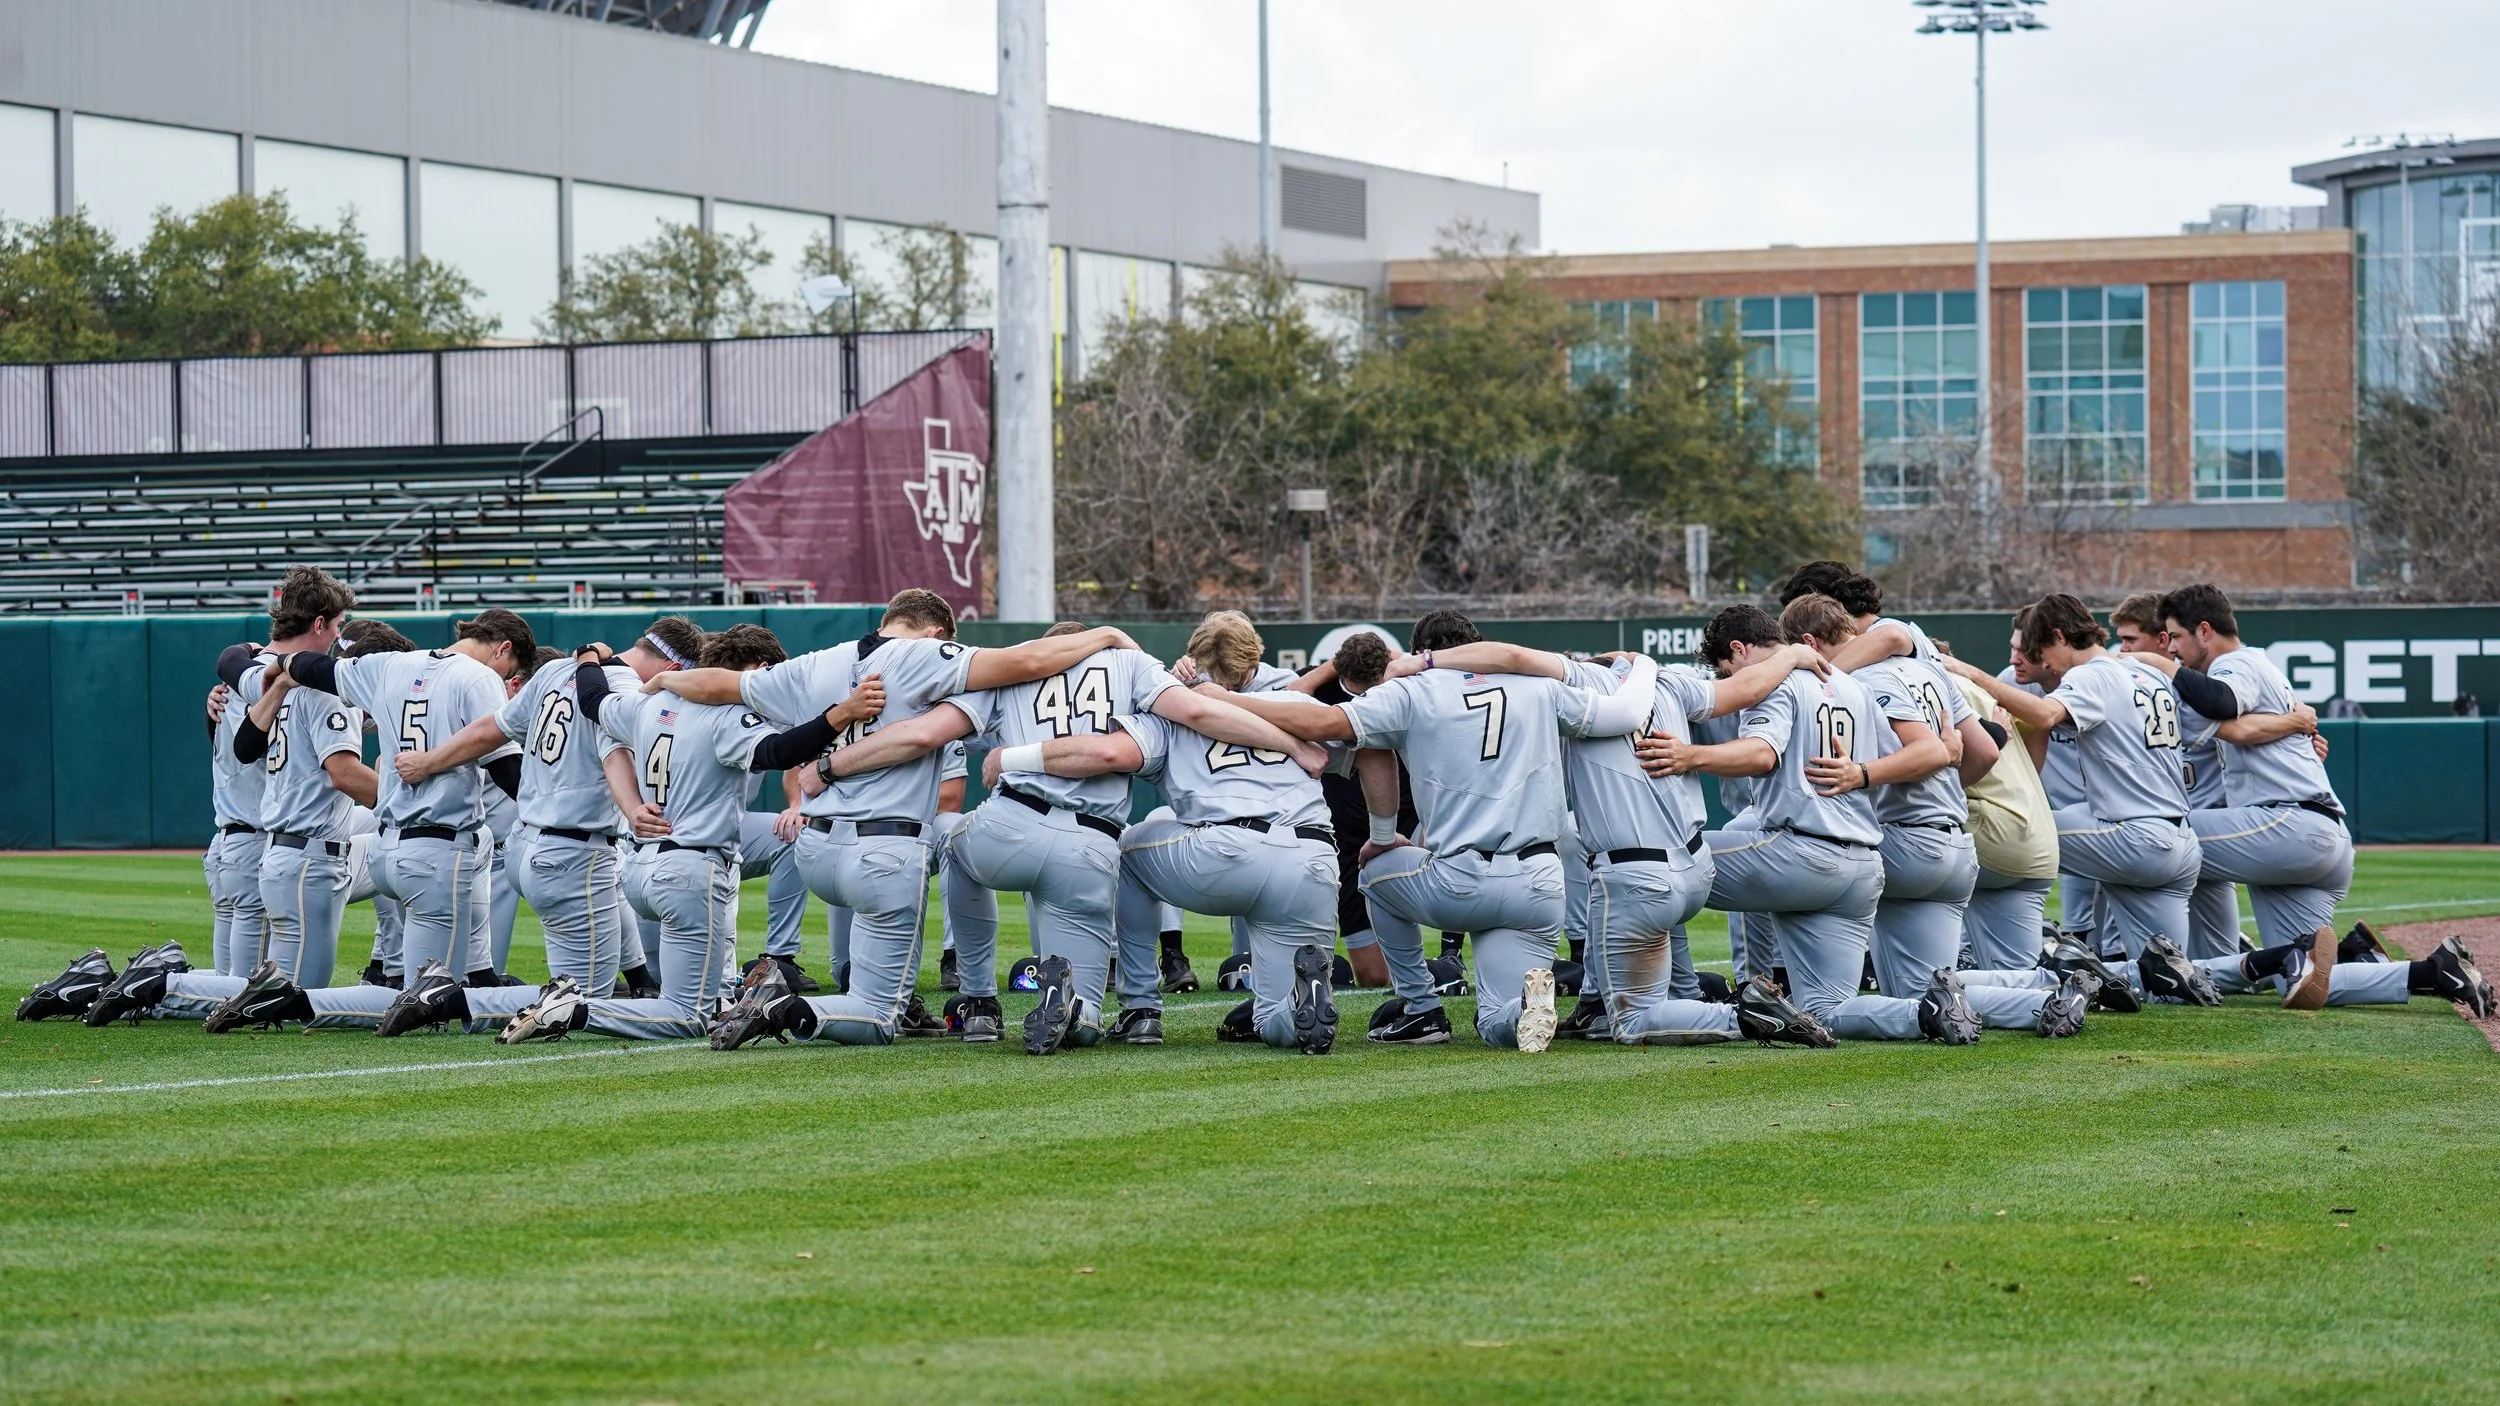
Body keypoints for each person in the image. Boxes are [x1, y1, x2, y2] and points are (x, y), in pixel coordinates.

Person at [768, 620, 1315, 1056]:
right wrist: (1294, 746)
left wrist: (832, 765)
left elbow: (920, 735)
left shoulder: (1006, 674)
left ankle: (979, 999)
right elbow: (1195, 711)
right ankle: (1110, 1011)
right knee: (1091, 994)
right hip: (1093, 843)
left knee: (955, 849)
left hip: (1009, 824)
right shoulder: (1131, 664)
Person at [677, 591, 1148, 1049]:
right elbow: (1020, 667)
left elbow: (718, 684)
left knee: (935, 865)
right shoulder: (929, 655)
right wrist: (1105, 633)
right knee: (880, 1015)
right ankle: (784, 1006)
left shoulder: (817, 660)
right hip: (885, 849)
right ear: (938, 632)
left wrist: (661, 684)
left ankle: (973, 999)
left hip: (817, 849)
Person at [1225, 610, 1661, 1052]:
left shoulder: (1412, 690)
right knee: (1496, 1023)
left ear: (1420, 653)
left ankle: (1420, 1008)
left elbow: (1322, 724)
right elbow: (1626, 714)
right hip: (1538, 881)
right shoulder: (1540, 686)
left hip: (1461, 879)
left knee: (1374, 873)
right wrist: (1643, 664)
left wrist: (1223, 701)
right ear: (1477, 644)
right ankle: (1522, 1007)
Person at [1380, 631, 1835, 1047]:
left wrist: (1426, 661)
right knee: (1666, 976)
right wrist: (1793, 653)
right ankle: (1623, 1001)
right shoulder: (1671, 681)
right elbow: (1748, 688)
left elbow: (1514, 655)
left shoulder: (1580, 681)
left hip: (1637, 876)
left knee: (1631, 1021)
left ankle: (1744, 1016)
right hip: (1695, 868)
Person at [488, 625, 880, 1041]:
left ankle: (462, 1000)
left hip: (639, 868)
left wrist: (588, 658)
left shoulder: (648, 704)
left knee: (695, 999)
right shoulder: (727, 715)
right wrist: (841, 714)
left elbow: (592, 701)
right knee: (686, 1016)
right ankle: (575, 1011)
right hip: (689, 870)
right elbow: (779, 752)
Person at [984, 613, 1343, 1053]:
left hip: (1225, 853)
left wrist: (1011, 757)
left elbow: (1107, 752)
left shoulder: (1168, 710)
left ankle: (1141, 1009)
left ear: (1191, 657)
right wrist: (1382, 832)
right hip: (1312, 859)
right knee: (1274, 1021)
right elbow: (1375, 750)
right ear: (1256, 660)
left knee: (1128, 849)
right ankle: (1301, 1000)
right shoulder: (1301, 707)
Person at [1638, 602, 1989, 1045]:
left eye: (1728, 671)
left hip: (1800, 854)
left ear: (1740, 650)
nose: (1732, 682)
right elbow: (1906, 758)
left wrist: (1691, 756)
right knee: (1826, 1008)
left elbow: (1761, 754)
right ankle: (1925, 1013)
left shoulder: (1776, 682)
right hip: (1861, 866)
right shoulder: (1851, 683)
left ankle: (1682, 995)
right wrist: (1945, 748)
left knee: (1656, 870)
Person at [193, 609, 537, 1033]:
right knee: (426, 998)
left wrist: (276, 666)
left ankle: (446, 971)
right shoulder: (478, 677)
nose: (507, 679)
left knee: (420, 980)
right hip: (429, 846)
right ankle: (282, 997)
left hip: (380, 845)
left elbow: (306, 671)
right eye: (511, 668)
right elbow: (501, 760)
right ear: (503, 649)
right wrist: (543, 812)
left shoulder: (388, 665)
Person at [2154, 583, 2489, 1013]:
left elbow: (2220, 702)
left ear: (2204, 630)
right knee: (2299, 976)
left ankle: (2163, 965)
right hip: (2317, 837)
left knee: (2156, 838)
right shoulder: (2262, 666)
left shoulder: (2236, 662)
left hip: (2288, 825)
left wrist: (2163, 669)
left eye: (2177, 637)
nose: (2174, 650)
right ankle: (2432, 970)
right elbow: (2236, 727)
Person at [1785, 597, 2086, 1038]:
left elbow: (1926, 751)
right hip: (1955, 843)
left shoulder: (1862, 677)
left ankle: (1769, 986)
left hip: (1905, 842)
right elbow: (1984, 750)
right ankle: (2042, 995)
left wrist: (1864, 774)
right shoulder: (1928, 669)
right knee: (1928, 990)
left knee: (1804, 856)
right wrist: (1938, 783)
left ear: (1810, 642)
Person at [390, 617, 704, 1025]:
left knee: (573, 988)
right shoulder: (626, 688)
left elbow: (493, 728)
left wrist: (431, 761)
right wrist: (632, 809)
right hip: (572, 851)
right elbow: (616, 754)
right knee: (582, 998)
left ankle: (449, 997)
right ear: (675, 669)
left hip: (528, 841)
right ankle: (448, 999)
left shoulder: (557, 668)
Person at [1941, 595, 2217, 1005]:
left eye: (2041, 651)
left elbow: (2045, 715)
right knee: (2170, 976)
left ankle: (2050, 949)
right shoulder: (2141, 669)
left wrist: (1969, 673)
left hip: (2134, 836)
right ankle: (2270, 960)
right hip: (2179, 842)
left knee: (2013, 840)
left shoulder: (2093, 674)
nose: (2044, 663)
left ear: (2058, 636)